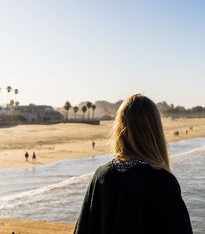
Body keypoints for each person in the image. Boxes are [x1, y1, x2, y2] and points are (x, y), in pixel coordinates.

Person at [74, 94, 192, 234]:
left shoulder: (101, 176)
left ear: (119, 128)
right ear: (155, 131)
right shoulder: (163, 181)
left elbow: (83, 228)